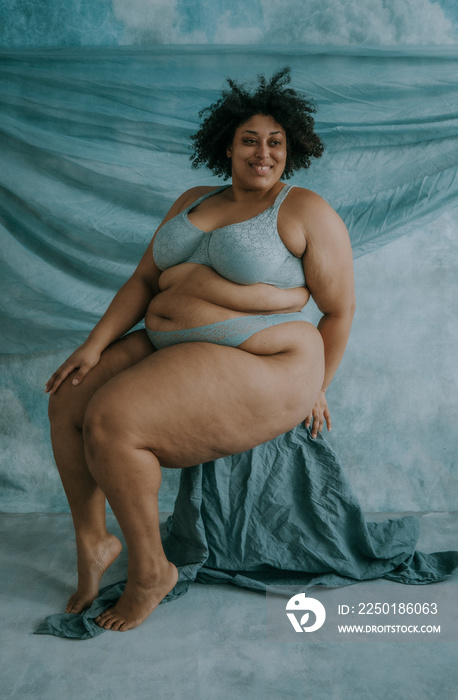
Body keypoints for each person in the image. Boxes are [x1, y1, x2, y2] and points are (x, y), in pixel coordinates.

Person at [45, 68, 355, 632]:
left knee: (113, 421)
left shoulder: (305, 209)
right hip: (169, 338)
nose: (264, 153)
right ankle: (93, 542)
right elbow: (144, 280)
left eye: (276, 141)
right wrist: (94, 345)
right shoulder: (192, 199)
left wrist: (318, 386)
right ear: (226, 146)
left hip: (264, 358)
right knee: (69, 397)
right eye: (250, 140)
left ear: (292, 149)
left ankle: (151, 572)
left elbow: (339, 311)